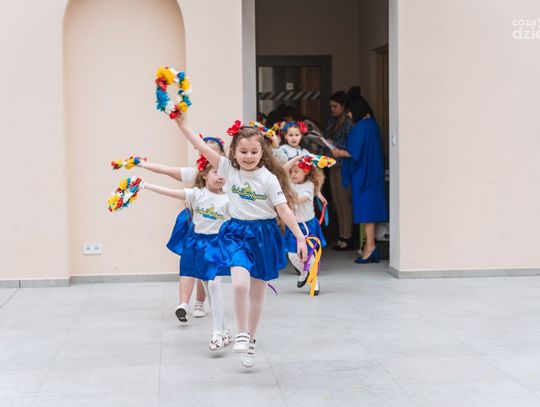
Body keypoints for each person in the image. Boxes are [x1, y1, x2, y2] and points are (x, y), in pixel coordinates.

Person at [174, 115, 308, 368]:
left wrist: (300, 238)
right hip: (237, 233)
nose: (248, 156)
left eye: (254, 152)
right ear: (233, 152)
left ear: (262, 153)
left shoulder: (268, 178)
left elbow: (284, 210)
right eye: (243, 151)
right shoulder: (227, 169)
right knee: (238, 285)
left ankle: (251, 340)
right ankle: (242, 332)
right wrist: (181, 124)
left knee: (257, 294)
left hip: (264, 235)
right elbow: (200, 145)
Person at [142, 155, 232, 350]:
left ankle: (217, 333)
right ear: (205, 175)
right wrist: (147, 185)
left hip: (217, 246)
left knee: (214, 285)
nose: (220, 177)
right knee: (209, 288)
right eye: (215, 173)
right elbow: (171, 192)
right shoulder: (197, 194)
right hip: (198, 245)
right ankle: (224, 331)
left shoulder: (229, 199)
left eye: (223, 174)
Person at [139, 137, 225, 320]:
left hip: (216, 234)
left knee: (208, 271)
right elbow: (167, 171)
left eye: (213, 150)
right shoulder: (195, 178)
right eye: (203, 149)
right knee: (189, 264)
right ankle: (183, 303)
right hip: (194, 227)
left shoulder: (227, 176)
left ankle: (200, 303)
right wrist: (144, 166)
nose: (208, 153)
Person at [331, 88, 388, 263]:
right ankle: (370, 246)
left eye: (349, 111)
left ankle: (369, 248)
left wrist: (337, 152)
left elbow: (353, 152)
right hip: (373, 174)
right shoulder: (372, 124)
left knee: (366, 212)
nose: (348, 115)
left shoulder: (362, 127)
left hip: (364, 176)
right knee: (370, 212)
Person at [283, 155, 327, 295]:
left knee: (309, 255)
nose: (292, 174)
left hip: (307, 225)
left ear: (306, 172)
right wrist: (298, 157)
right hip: (293, 224)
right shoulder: (290, 183)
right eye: (291, 172)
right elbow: (283, 170)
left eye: (296, 171)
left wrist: (286, 196)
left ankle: (314, 281)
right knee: (292, 254)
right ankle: (304, 272)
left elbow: (300, 199)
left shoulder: (309, 185)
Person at [325, 91, 355, 251]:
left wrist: (336, 146)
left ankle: (347, 236)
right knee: (336, 201)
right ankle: (341, 234)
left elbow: (352, 145)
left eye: (335, 106)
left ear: (343, 106)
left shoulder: (349, 123)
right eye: (330, 106)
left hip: (343, 163)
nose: (332, 109)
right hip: (332, 163)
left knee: (344, 201)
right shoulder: (332, 121)